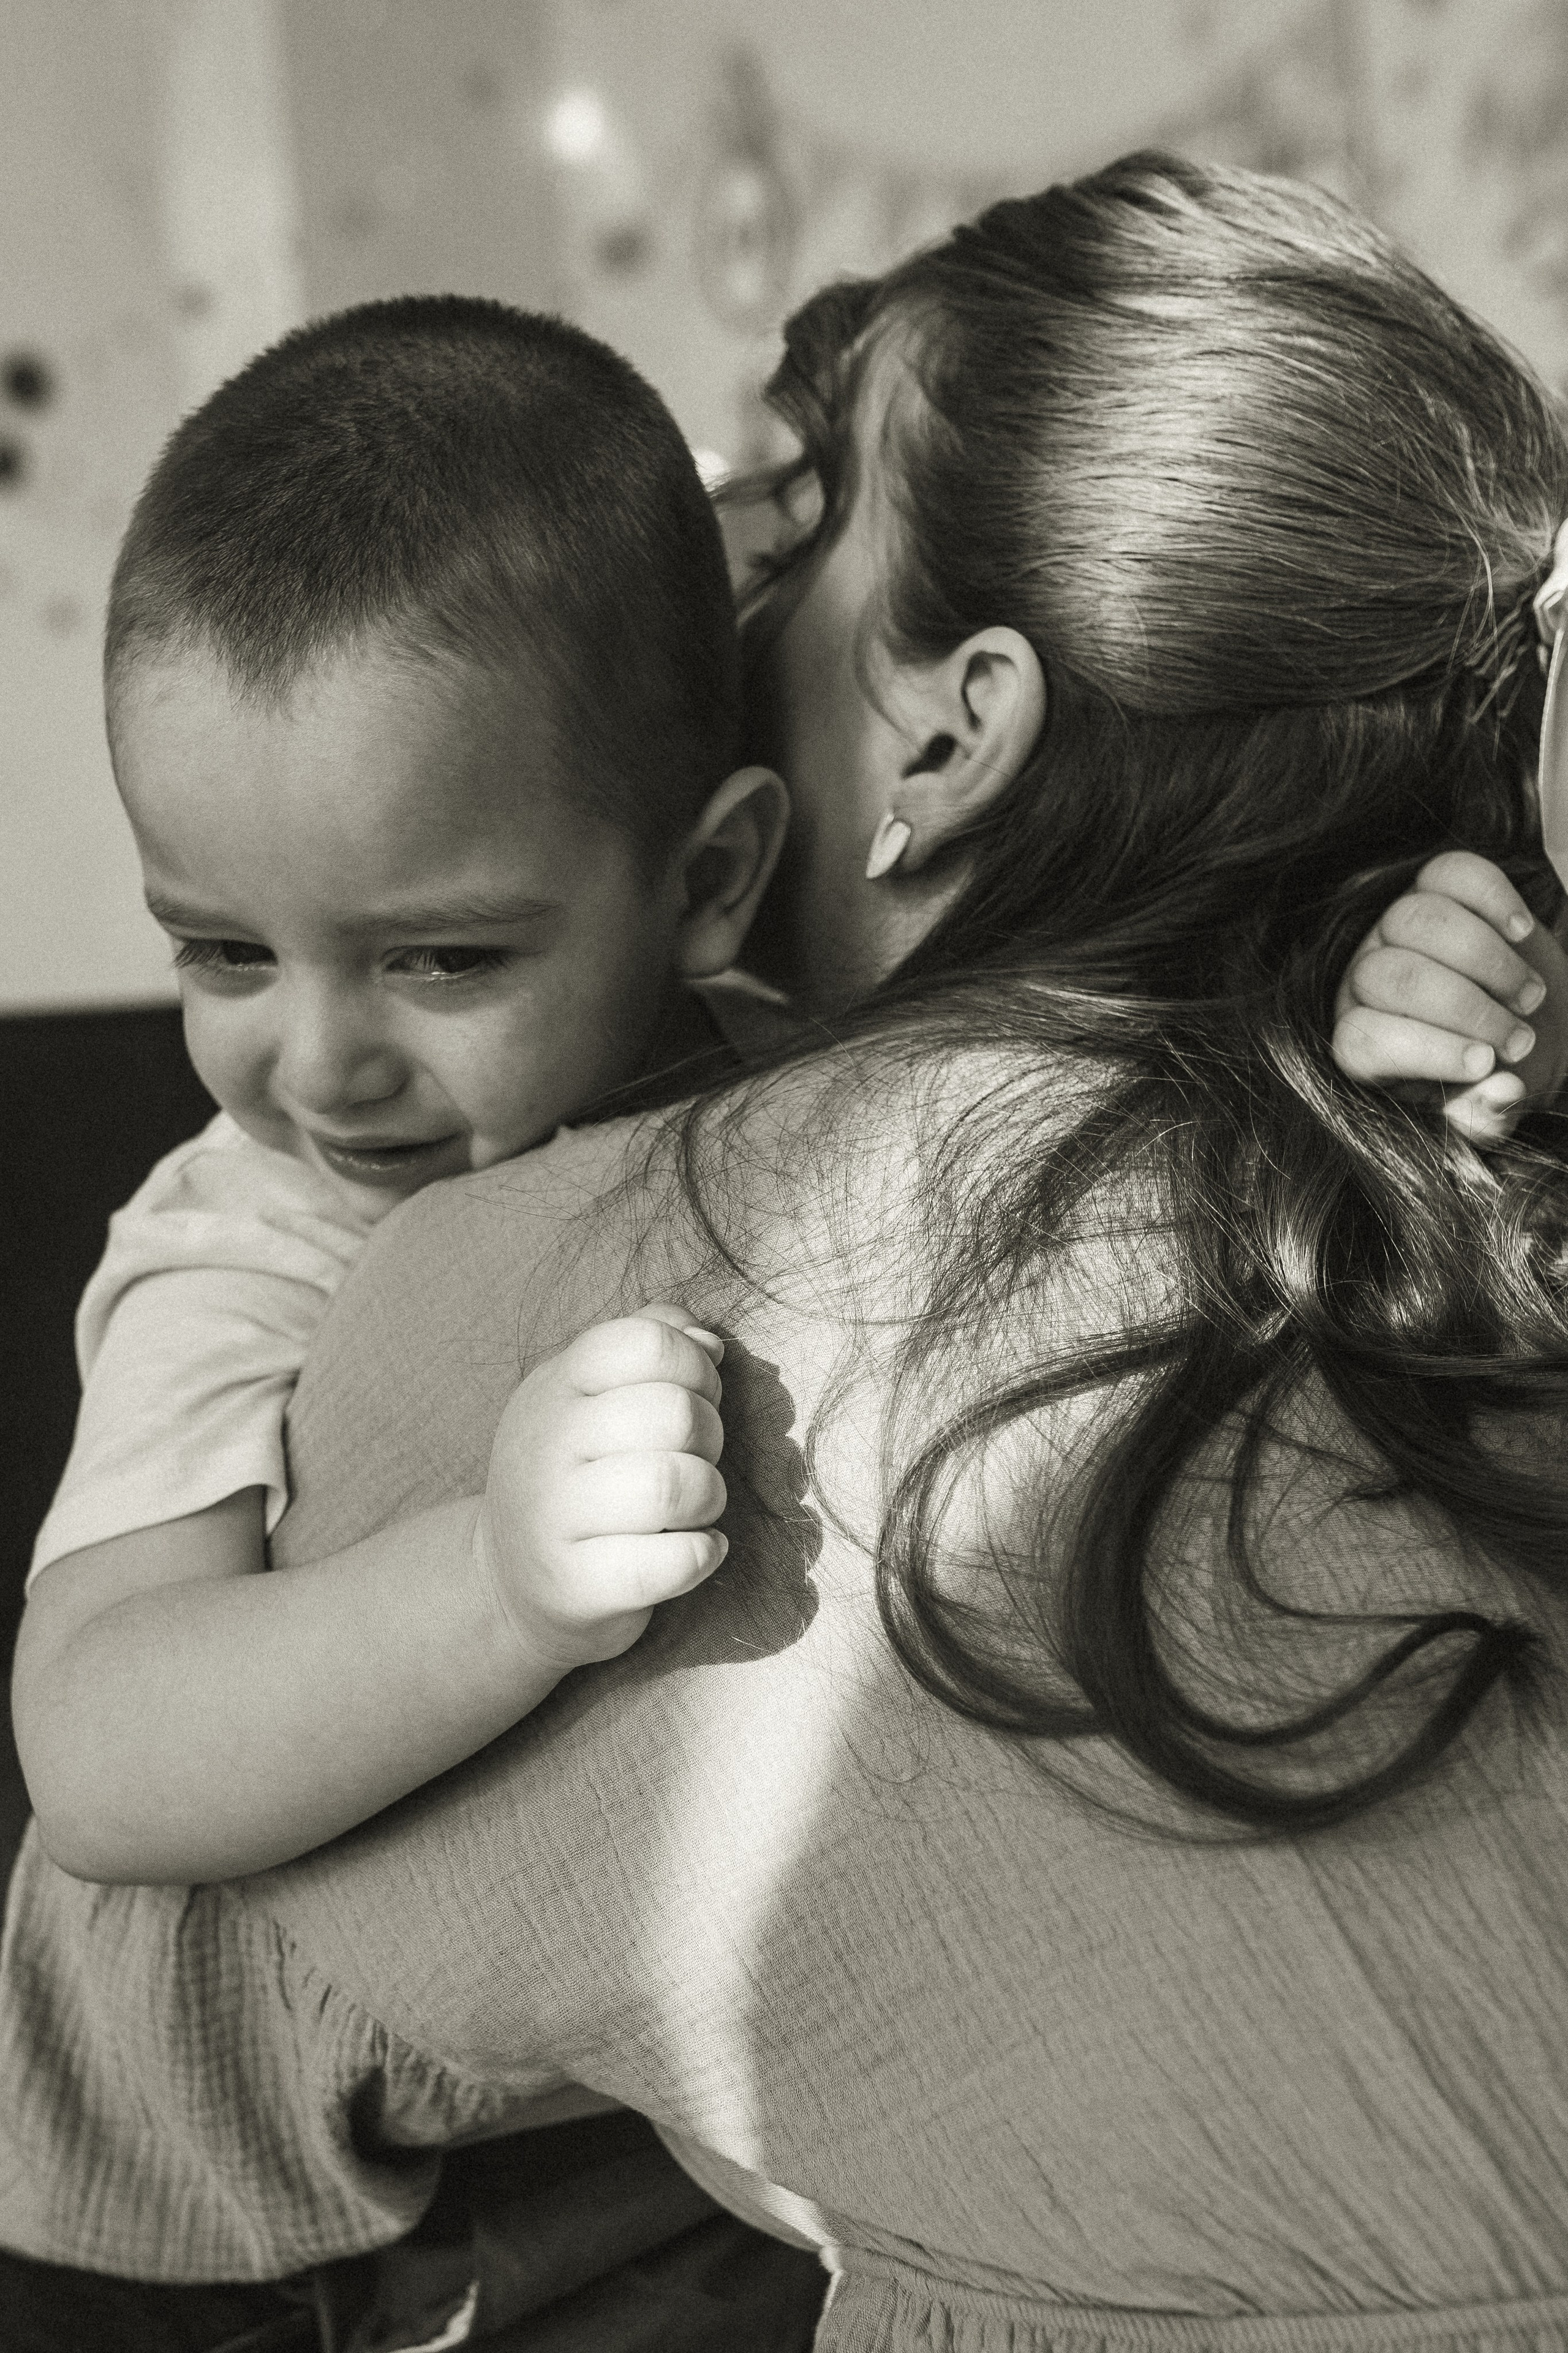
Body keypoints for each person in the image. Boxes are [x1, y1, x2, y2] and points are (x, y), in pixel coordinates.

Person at [8, 152, 1568, 2350]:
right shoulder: (1392, 1172)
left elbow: (149, 2014)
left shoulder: (673, 1237)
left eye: (813, 503)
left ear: (951, 732)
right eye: (219, 950)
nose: (747, 576)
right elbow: (109, 1753)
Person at [12, 297, 786, 1885]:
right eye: (223, 949)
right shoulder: (252, 1239)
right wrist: (495, 1588)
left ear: (707, 879)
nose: (313, 1065)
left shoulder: (785, 1048)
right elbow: (97, 1742)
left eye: (436, 959)